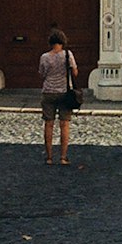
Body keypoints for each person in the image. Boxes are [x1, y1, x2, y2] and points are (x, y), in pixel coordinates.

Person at [39, 28, 77, 166]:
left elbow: (42, 74)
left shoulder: (44, 57)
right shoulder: (67, 55)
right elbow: (75, 72)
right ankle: (63, 157)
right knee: (64, 124)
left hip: (48, 91)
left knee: (48, 124)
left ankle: (49, 157)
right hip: (64, 92)